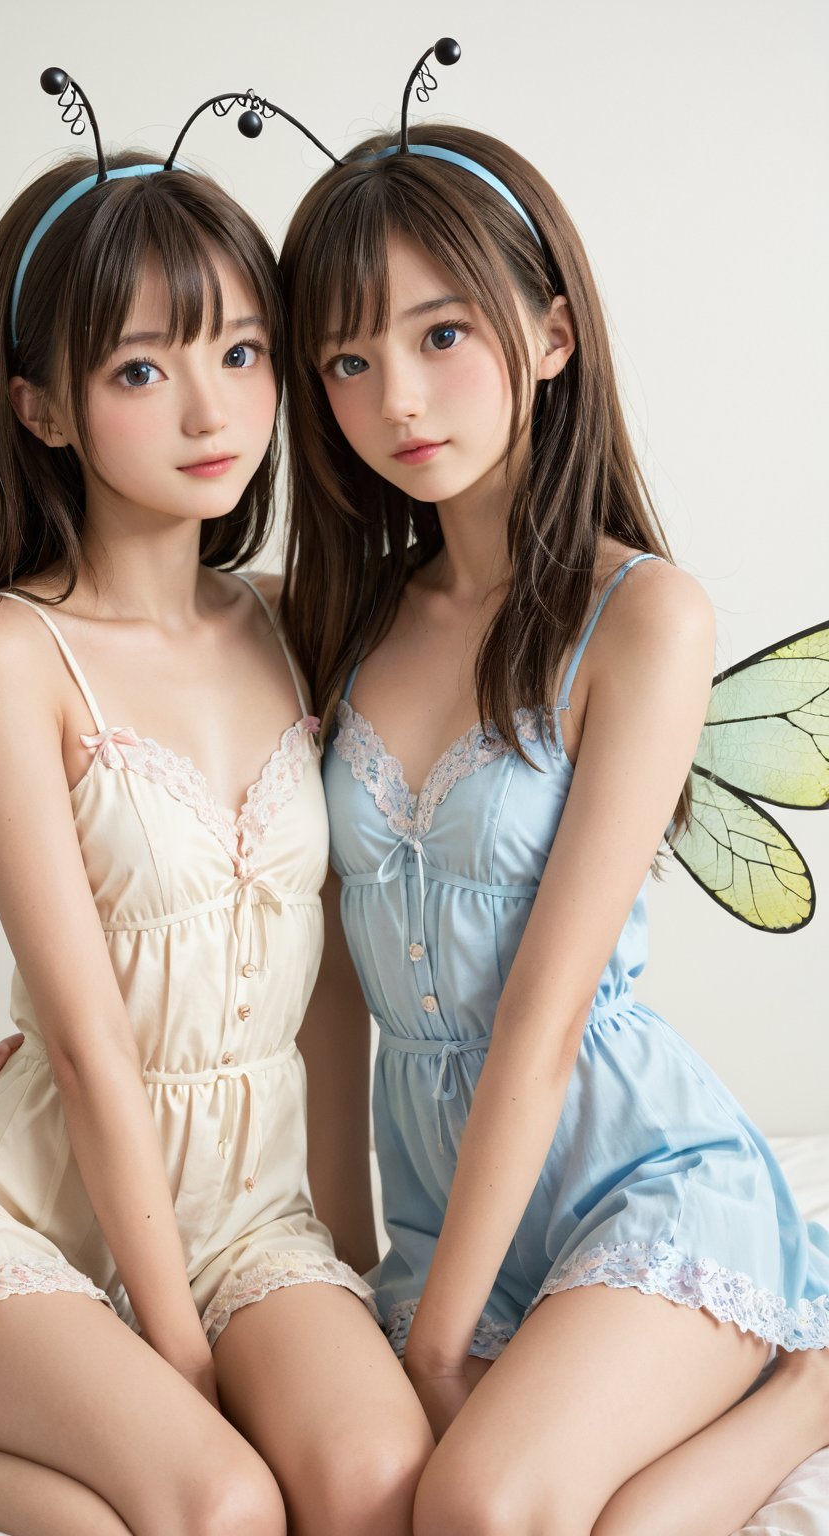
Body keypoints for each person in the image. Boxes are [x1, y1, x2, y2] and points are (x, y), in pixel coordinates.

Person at [0, 140, 432, 1536]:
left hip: (252, 1215)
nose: (212, 409)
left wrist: (347, 1255)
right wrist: (184, 1355)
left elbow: (327, 985)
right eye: (142, 370)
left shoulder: (291, 621)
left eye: (246, 352)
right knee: (217, 1507)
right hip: (23, 1213)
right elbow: (88, 1042)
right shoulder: (6, 653)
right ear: (40, 409)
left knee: (379, 1480)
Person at [277, 120, 829, 1535]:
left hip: (639, 1180)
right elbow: (331, 997)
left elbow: (541, 1015)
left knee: (479, 1509)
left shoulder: (642, 617)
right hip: (438, 1206)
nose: (396, 394)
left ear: (554, 332)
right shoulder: (331, 622)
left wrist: (436, 1343)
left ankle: (812, 1379)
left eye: (442, 332)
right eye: (346, 359)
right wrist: (348, 1273)